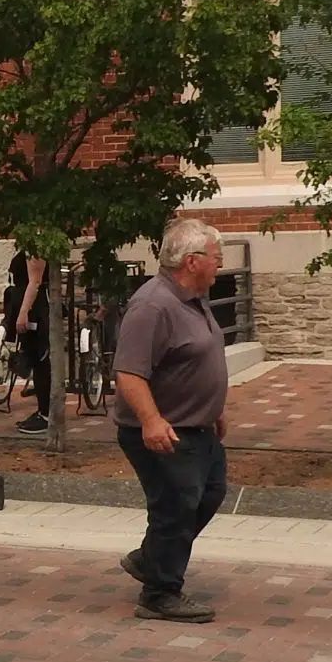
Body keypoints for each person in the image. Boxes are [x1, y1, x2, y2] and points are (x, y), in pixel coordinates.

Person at [113, 219, 232, 623]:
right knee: (175, 508)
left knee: (210, 493)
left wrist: (213, 409)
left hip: (197, 426)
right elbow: (129, 371)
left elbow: (197, 360)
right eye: (217, 257)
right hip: (162, 431)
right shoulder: (153, 305)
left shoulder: (193, 298)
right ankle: (160, 593)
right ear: (193, 261)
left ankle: (152, 559)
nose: (222, 264)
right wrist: (150, 420)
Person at [3, 251, 52, 435]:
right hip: (26, 303)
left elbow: (35, 281)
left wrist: (24, 312)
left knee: (40, 361)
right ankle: (43, 411)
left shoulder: (36, 245)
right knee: (35, 359)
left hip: (34, 309)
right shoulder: (29, 241)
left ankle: (46, 414)